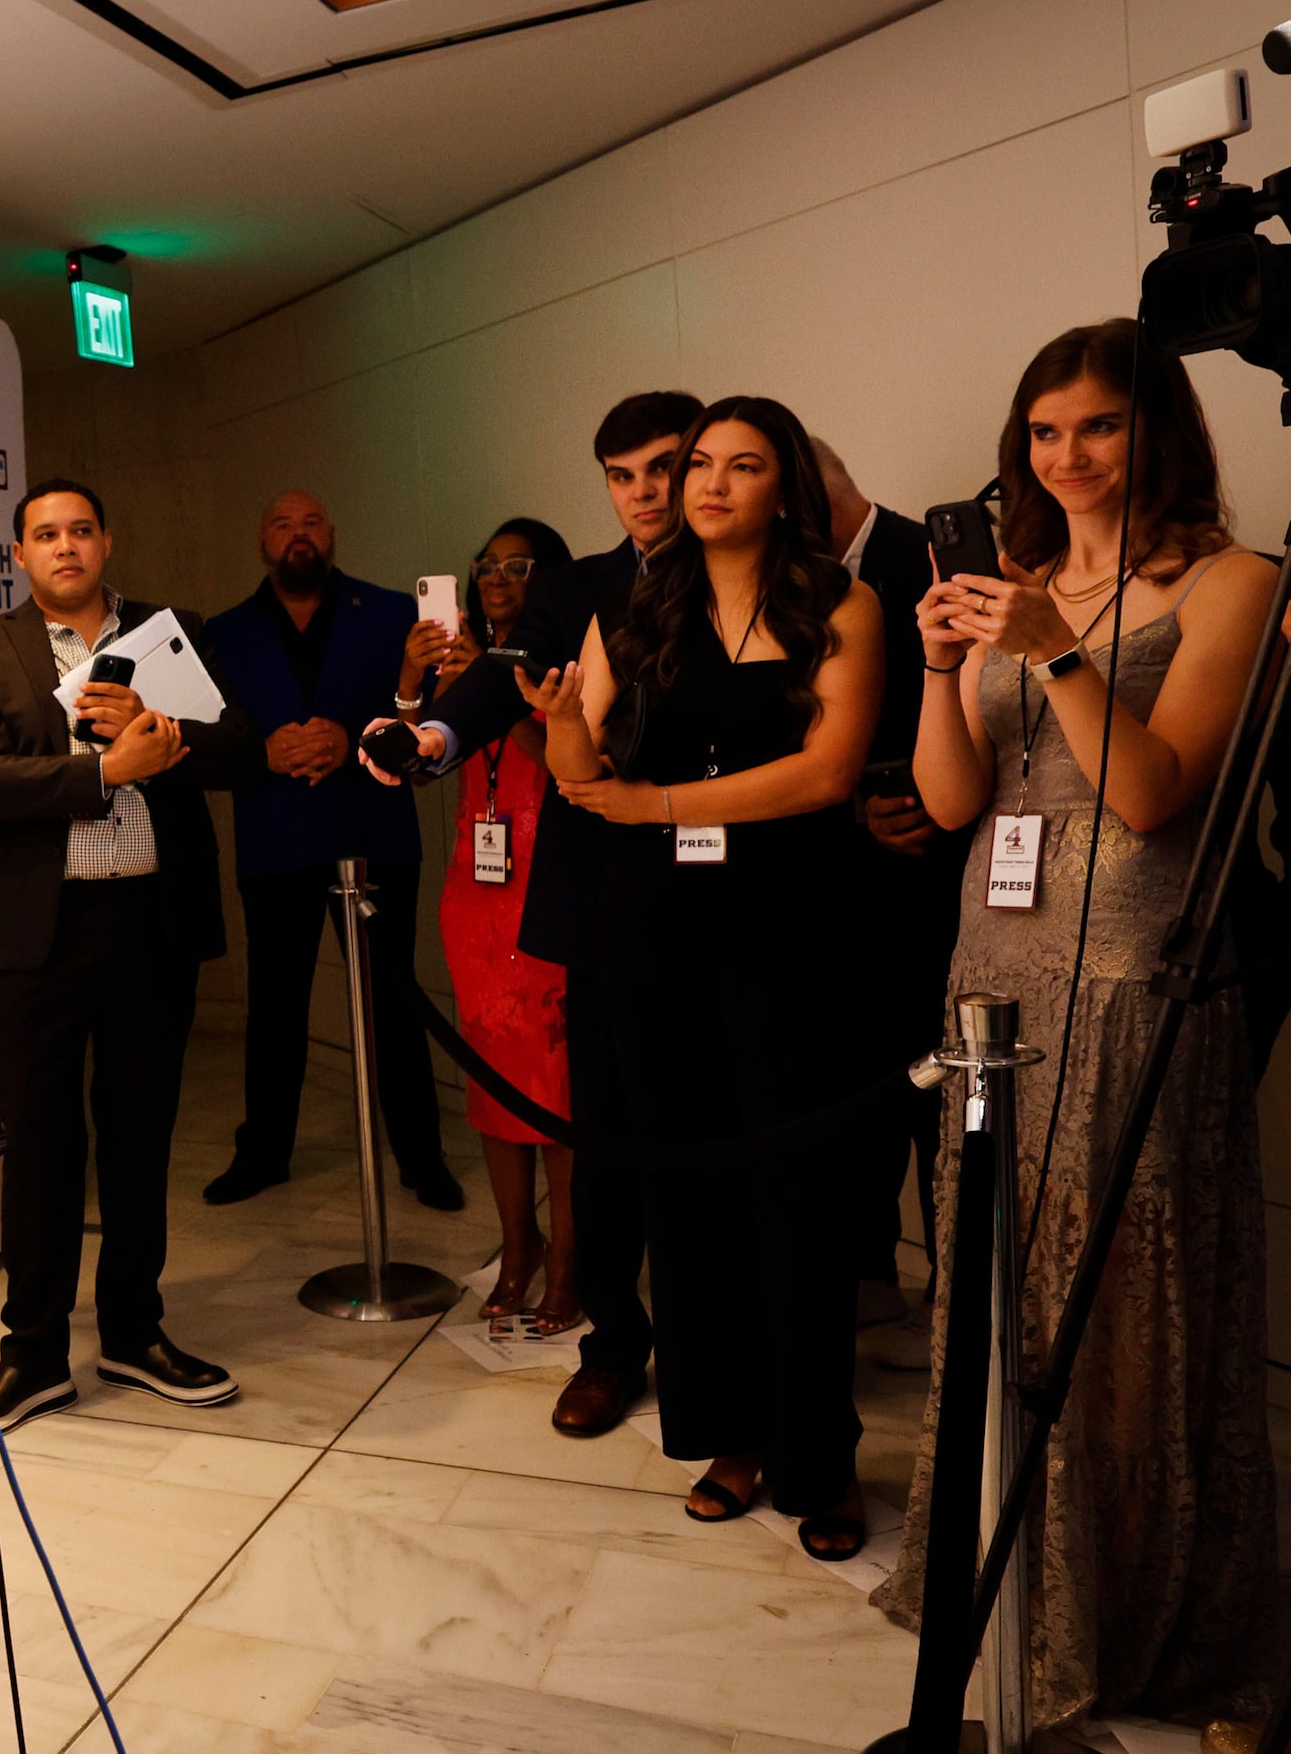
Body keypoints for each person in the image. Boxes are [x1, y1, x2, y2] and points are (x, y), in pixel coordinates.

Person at [876, 319, 1279, 1735]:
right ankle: (1014, 1601)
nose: (1066, 457)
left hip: (1129, 981)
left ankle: (1154, 1627)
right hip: (993, 978)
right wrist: (939, 665)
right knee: (998, 1297)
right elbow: (945, 805)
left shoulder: (1235, 581)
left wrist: (1050, 653)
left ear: (1154, 426)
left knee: (1126, 1317)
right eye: (1042, 433)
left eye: (1095, 427)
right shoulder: (1023, 583)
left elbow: (1155, 790)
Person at [526, 394, 882, 1562]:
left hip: (795, 920)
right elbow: (584, 772)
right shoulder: (635, 601)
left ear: (789, 484)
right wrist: (559, 730)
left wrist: (657, 804)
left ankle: (816, 1454)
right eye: (699, 469)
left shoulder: (843, 603)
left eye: (742, 464)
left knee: (798, 1191)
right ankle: (730, 1434)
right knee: (689, 1187)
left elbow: (825, 776)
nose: (711, 485)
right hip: (654, 925)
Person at [390, 389, 702, 1439]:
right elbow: (505, 686)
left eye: (665, 467)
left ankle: (727, 1372)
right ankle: (615, 1346)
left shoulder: (756, 575)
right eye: (623, 475)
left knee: (712, 1149)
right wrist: (431, 739)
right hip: (600, 893)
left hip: (724, 895)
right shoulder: (587, 585)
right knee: (603, 1139)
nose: (646, 492)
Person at [0, 480, 260, 1439]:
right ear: (19, 555)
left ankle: (132, 1330)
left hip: (150, 923)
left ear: (107, 542)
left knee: (139, 1133)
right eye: (45, 534)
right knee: (37, 1144)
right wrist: (101, 771)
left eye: (80, 530)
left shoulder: (171, 630)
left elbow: (237, 750)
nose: (65, 546)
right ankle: (31, 1354)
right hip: (35, 934)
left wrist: (155, 738)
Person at [201, 490, 462, 1211]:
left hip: (372, 828)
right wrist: (264, 750)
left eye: (310, 522)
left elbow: (429, 712)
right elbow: (204, 739)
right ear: (262, 540)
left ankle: (421, 1157)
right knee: (274, 1004)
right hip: (274, 836)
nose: (297, 534)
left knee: (392, 1000)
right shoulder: (222, 632)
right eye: (281, 523)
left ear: (331, 534)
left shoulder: (387, 615)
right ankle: (262, 1155)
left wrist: (349, 737)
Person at [812, 437, 969, 1340]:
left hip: (949, 873)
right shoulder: (794, 585)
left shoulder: (933, 557)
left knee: (946, 1096)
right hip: (838, 877)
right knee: (858, 1086)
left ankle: (956, 1292)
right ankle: (867, 1272)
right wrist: (852, 818)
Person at [417, 518, 579, 1323]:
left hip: (547, 887)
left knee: (556, 1091)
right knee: (490, 1086)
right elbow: (414, 763)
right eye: (486, 564)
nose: (496, 577)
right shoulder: (456, 661)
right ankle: (518, 1243)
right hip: (473, 892)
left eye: (518, 565)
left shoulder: (570, 662)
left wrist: (494, 689)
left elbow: (565, 765)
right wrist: (416, 687)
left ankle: (571, 1259)